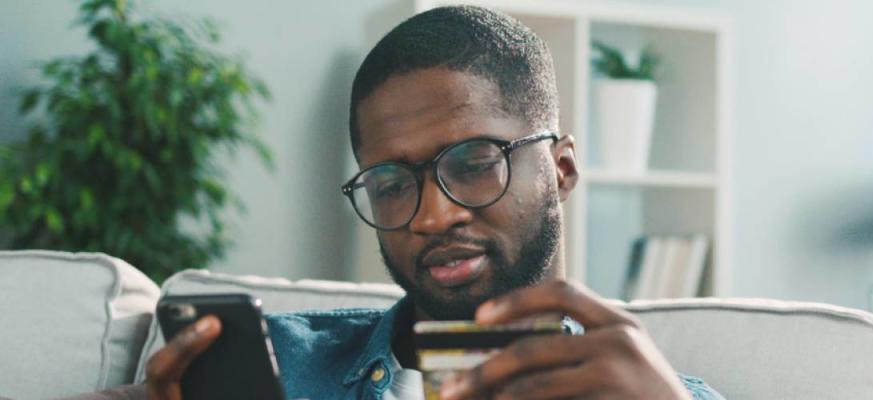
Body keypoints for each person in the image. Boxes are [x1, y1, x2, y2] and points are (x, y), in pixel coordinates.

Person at [86, 5, 726, 400]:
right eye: (392, 185)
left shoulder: (654, 395)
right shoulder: (281, 367)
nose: (431, 216)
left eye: (474, 166)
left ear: (561, 169)